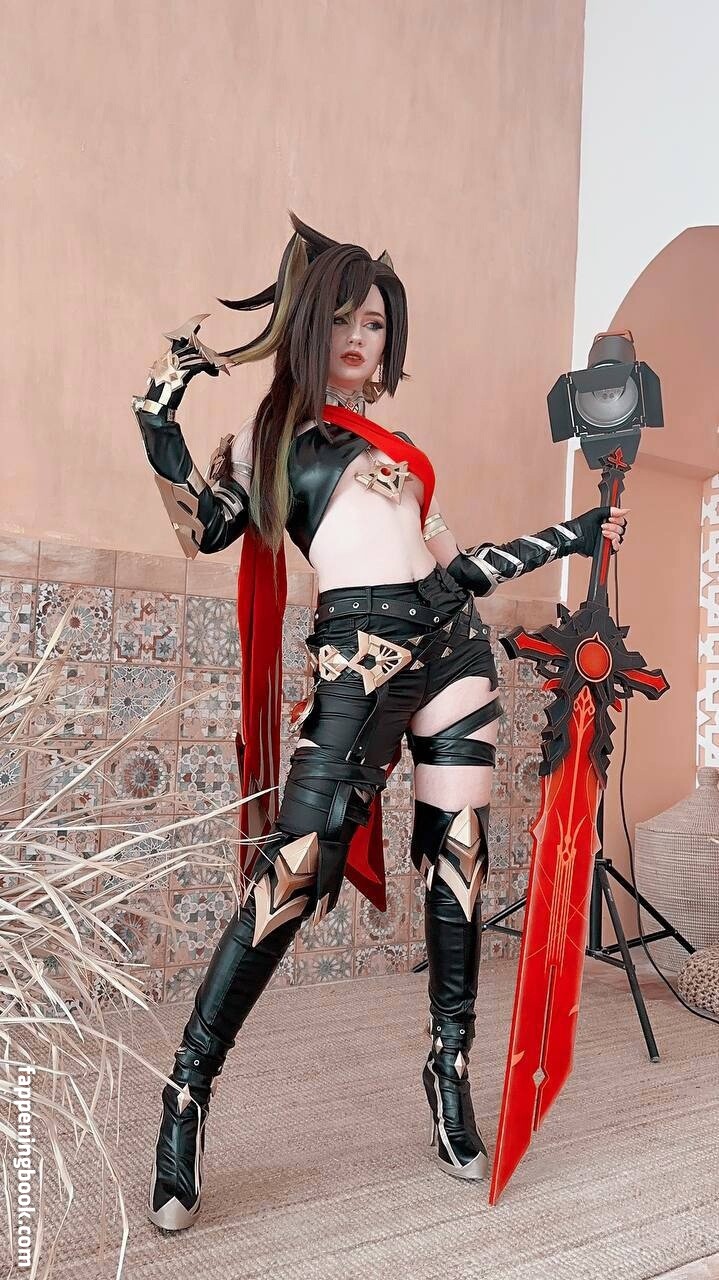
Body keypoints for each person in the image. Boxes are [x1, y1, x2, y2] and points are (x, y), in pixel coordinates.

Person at [132, 213, 628, 1230]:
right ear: (310, 323)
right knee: (291, 872)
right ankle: (187, 1091)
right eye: (346, 320)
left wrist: (572, 535)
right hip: (357, 659)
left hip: (452, 651)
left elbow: (455, 570)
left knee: (458, 859)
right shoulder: (273, 436)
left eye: (375, 324)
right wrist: (159, 410)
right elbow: (205, 528)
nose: (362, 340)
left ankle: (448, 1067)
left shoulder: (402, 452)